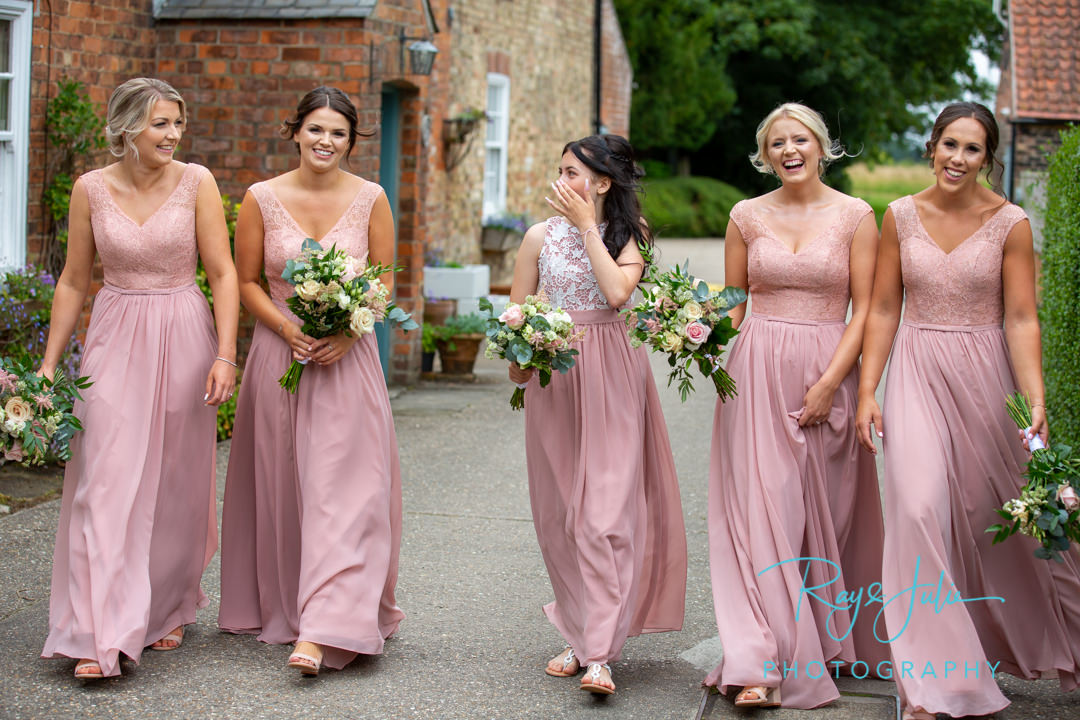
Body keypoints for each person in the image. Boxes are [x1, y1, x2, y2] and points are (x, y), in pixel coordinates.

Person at [855, 101, 1080, 719]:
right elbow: (881, 309)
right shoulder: (898, 216)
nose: (958, 158)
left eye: (972, 149)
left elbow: (1021, 317)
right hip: (918, 371)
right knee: (918, 506)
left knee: (994, 518)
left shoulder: (1011, 223)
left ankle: (1030, 642)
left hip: (988, 378)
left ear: (988, 157)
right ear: (932, 147)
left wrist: (1034, 399)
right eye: (949, 144)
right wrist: (868, 388)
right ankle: (931, 686)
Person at [39, 78, 239, 679]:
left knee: (175, 478)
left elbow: (223, 273)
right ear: (127, 127)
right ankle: (97, 630)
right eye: (161, 124)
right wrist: (51, 364)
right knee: (103, 478)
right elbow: (75, 280)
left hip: (183, 329)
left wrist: (226, 354)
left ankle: (167, 602)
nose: (174, 135)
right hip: (115, 332)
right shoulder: (90, 190)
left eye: (178, 123)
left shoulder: (197, 182)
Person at [217, 86, 404, 676]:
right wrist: (283, 328)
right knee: (288, 486)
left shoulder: (372, 198)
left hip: (349, 362)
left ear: (353, 141)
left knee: (346, 493)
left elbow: (382, 283)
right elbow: (245, 280)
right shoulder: (260, 198)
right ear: (295, 131)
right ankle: (295, 605)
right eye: (316, 129)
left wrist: (350, 332)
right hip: (281, 360)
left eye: (339, 133)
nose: (326, 142)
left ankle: (327, 627)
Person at [704, 103, 885, 709]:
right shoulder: (745, 216)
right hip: (755, 372)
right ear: (764, 153)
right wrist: (702, 337)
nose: (789, 149)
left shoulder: (857, 217)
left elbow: (868, 309)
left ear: (821, 146)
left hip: (828, 366)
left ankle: (816, 642)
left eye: (799, 139)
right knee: (761, 515)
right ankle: (756, 660)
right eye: (777, 141)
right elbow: (734, 298)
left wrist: (834, 383)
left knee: (820, 518)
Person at [507, 134, 686, 696]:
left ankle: (601, 655)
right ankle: (582, 633)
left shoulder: (630, 235)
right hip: (554, 379)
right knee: (561, 515)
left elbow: (614, 294)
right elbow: (519, 310)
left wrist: (588, 226)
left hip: (612, 375)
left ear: (602, 183)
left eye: (573, 173)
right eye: (558, 170)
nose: (562, 182)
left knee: (602, 517)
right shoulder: (536, 237)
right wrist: (519, 350)